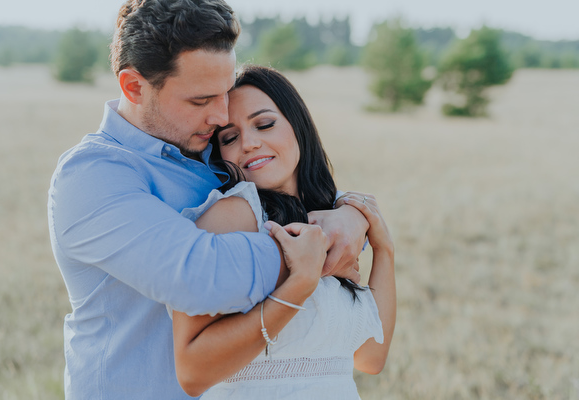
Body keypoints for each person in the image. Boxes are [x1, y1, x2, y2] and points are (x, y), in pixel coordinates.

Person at [47, 1, 368, 399]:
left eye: (225, 92)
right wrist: (312, 249)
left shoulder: (211, 149)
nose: (221, 116)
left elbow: (290, 187)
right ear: (134, 86)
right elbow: (198, 274)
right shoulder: (93, 176)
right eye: (201, 101)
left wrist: (353, 212)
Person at [170, 65, 396, 399]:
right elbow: (191, 372)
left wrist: (384, 248)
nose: (249, 143)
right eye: (229, 137)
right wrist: (299, 285)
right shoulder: (233, 217)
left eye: (265, 124)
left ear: (298, 125)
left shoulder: (331, 220)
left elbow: (370, 357)